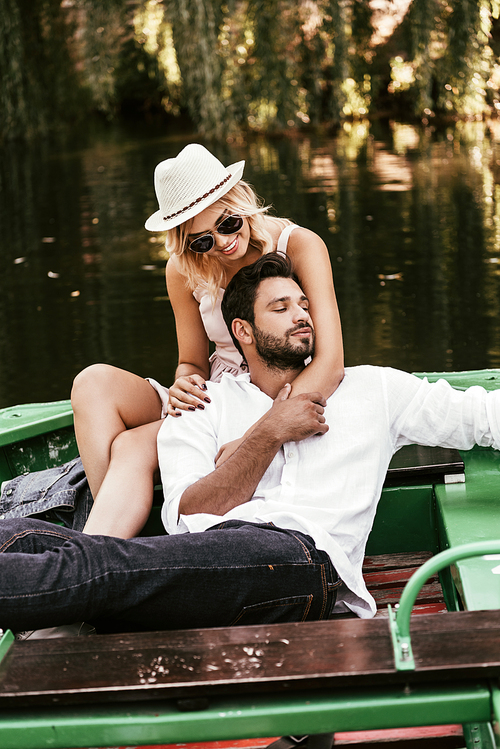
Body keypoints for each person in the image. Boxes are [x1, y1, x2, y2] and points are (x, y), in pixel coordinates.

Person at [2, 253, 500, 633]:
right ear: (241, 330)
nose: (302, 315)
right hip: (222, 559)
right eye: (280, 308)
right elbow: (189, 516)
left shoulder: (375, 389)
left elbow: (480, 416)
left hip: (307, 564)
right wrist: (268, 433)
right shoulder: (201, 408)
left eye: (303, 304)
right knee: (33, 538)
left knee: (103, 566)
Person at [71, 143, 344, 539]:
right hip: (215, 394)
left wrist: (260, 432)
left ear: (241, 201)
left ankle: (108, 548)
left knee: (132, 447)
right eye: (202, 240)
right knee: (92, 383)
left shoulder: (299, 246)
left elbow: (330, 361)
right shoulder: (182, 270)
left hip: (280, 389)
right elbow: (193, 362)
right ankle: (111, 546)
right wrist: (184, 381)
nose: (221, 243)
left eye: (228, 224)